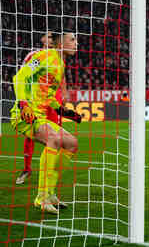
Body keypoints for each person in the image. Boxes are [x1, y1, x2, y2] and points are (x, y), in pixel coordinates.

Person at [11, 33, 83, 214]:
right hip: (25, 113)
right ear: (59, 43)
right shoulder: (43, 56)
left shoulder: (60, 64)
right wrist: (23, 103)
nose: (76, 43)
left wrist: (62, 111)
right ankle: (41, 197)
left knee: (71, 143)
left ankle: (50, 193)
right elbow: (20, 77)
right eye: (71, 40)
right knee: (54, 139)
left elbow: (48, 94)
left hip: (41, 115)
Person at [16, 32, 67, 185]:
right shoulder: (34, 55)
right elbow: (23, 74)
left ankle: (49, 170)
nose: (51, 40)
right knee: (31, 132)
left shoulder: (58, 58)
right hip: (37, 98)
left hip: (53, 99)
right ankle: (27, 169)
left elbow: (62, 77)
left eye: (53, 38)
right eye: (49, 37)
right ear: (42, 39)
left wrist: (64, 92)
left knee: (56, 134)